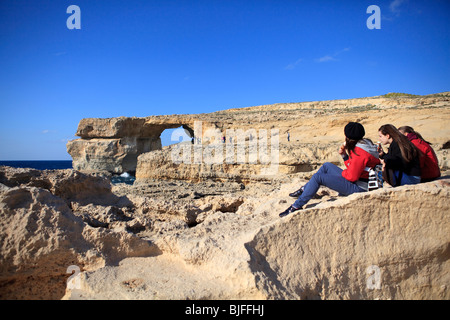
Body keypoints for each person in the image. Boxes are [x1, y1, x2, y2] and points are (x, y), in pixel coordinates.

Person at [279, 122, 380, 217]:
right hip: (360, 181)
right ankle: (305, 189)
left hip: (360, 188)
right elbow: (355, 168)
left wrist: (344, 172)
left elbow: (351, 176)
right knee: (327, 166)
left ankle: (296, 206)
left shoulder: (359, 152)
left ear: (348, 137)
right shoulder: (365, 144)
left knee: (318, 178)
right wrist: (344, 155)